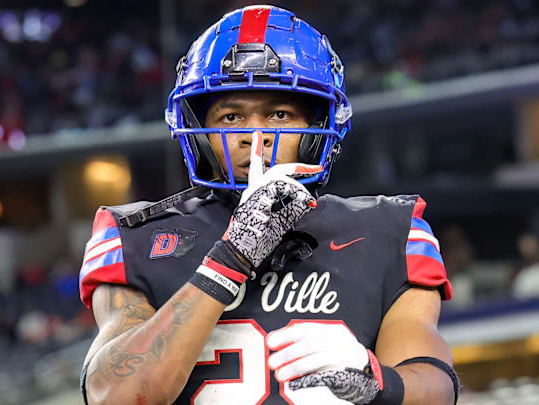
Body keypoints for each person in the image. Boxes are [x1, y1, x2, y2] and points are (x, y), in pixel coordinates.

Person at [78, 5, 457, 405]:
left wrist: (376, 381)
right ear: (197, 129)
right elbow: (113, 396)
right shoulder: (138, 236)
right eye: (230, 117)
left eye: (280, 114)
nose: (254, 136)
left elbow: (436, 390)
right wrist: (230, 259)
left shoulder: (391, 230)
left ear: (318, 127)